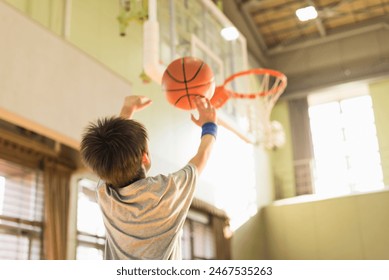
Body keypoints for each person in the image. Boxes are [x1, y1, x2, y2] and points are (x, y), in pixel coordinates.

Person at [80, 95, 217, 260]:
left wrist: (126, 111)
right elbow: (202, 157)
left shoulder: (104, 194)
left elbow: (110, 156)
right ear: (145, 157)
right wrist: (210, 124)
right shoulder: (166, 192)